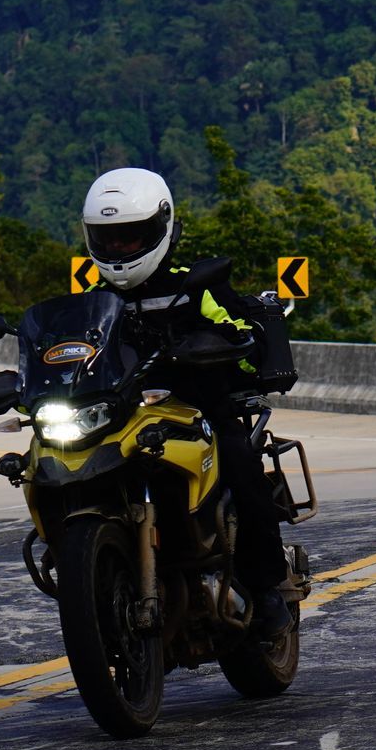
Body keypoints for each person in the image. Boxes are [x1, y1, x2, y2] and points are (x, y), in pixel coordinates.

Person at [80, 167, 292, 641]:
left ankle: (269, 587)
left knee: (240, 464)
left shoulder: (193, 286)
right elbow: (69, 351)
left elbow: (239, 333)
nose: (117, 250)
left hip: (199, 408)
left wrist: (214, 344)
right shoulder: (93, 302)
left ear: (161, 229)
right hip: (125, 415)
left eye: (129, 238)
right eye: (108, 240)